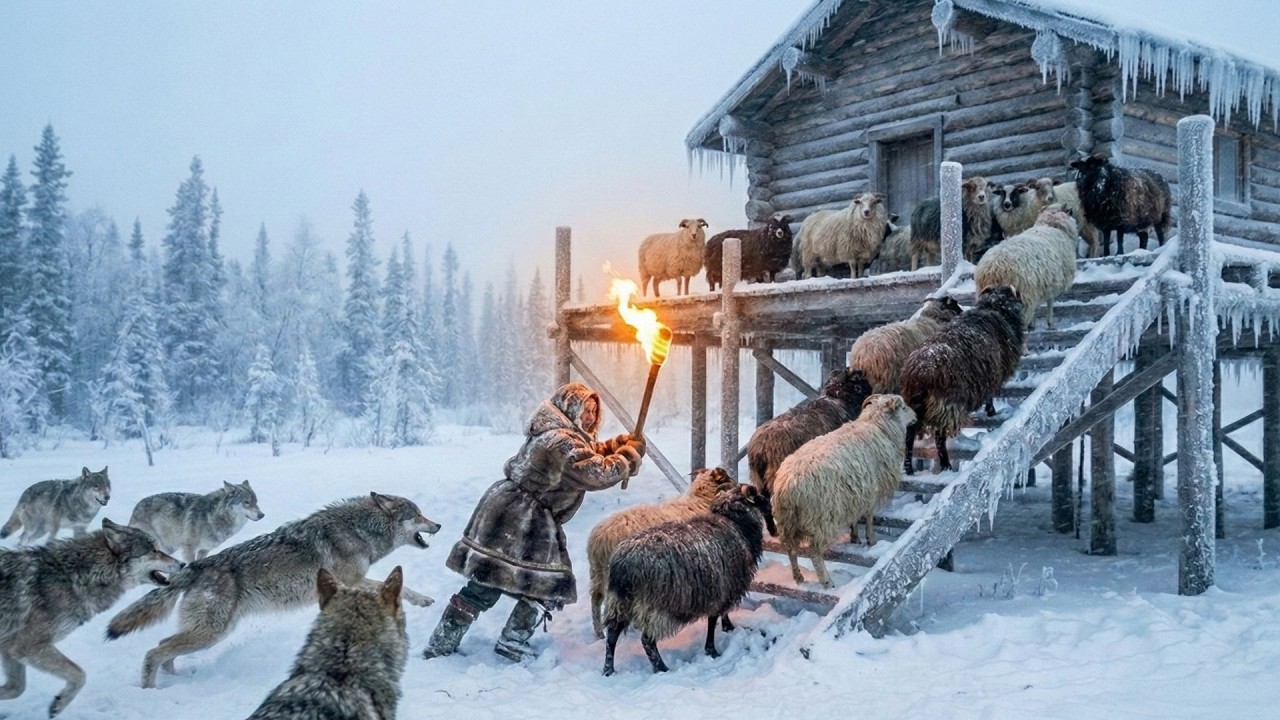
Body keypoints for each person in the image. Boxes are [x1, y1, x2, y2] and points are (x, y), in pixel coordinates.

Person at [423, 382, 646, 662]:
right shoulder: (560, 441)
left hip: (513, 510)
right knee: (535, 584)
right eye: (584, 410)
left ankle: (448, 642)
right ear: (569, 409)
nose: (589, 417)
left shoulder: (559, 434)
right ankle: (507, 643)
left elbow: (587, 452)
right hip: (522, 517)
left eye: (593, 411)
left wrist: (617, 445)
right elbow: (594, 473)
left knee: (494, 581)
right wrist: (628, 457)